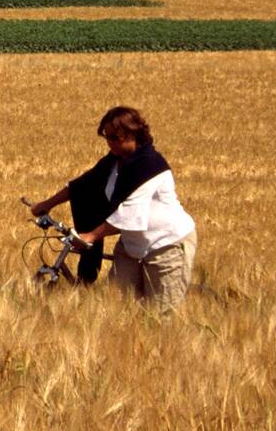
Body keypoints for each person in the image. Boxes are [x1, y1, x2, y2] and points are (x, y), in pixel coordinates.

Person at [28, 106, 197, 310]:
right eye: (107, 137)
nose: (110, 143)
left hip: (167, 245)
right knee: (115, 307)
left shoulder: (150, 165)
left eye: (115, 138)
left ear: (133, 133)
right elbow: (82, 185)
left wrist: (90, 236)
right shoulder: (115, 161)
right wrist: (46, 204)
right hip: (132, 246)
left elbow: (129, 214)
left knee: (161, 315)